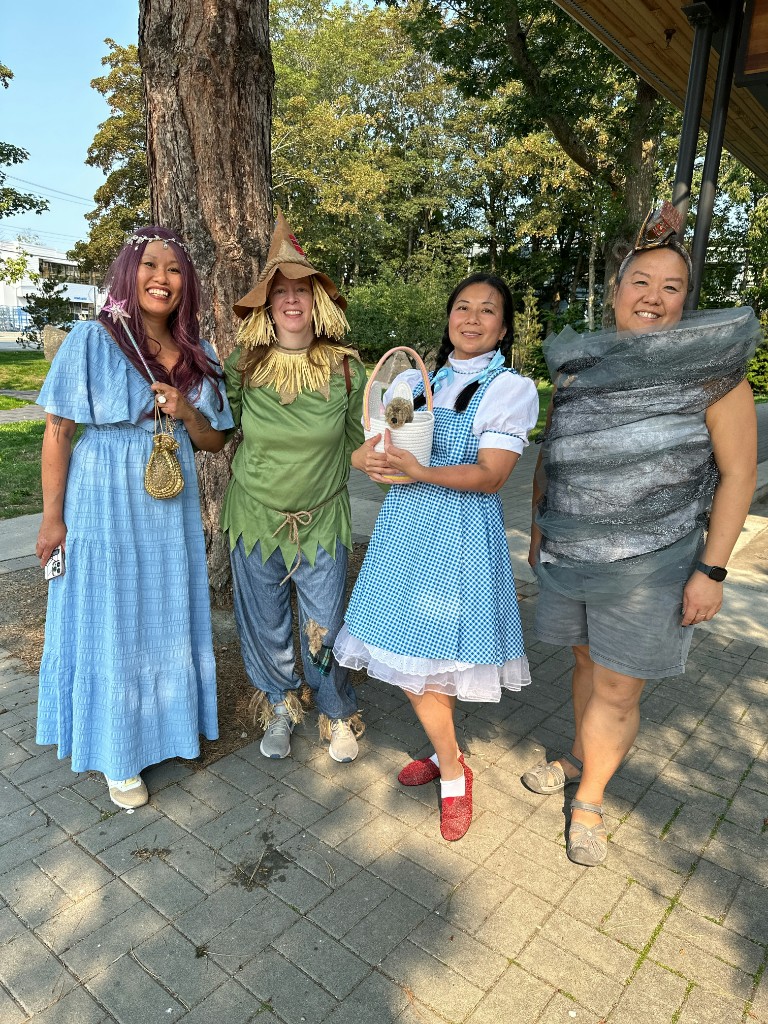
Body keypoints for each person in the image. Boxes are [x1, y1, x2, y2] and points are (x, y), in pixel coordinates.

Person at [523, 205, 760, 865]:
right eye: (641, 282)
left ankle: (590, 800)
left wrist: (712, 572)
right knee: (584, 663)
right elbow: (554, 453)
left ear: (685, 301)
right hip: (571, 554)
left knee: (620, 687)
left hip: (652, 568)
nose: (653, 296)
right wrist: (540, 526)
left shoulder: (714, 373)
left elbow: (740, 474)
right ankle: (578, 756)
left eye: (671, 287)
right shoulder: (578, 364)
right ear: (616, 290)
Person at [334, 272, 539, 840]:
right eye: (462, 307)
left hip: (458, 537)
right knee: (417, 659)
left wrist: (420, 471)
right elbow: (377, 449)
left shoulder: (509, 390)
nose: (472, 318)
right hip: (405, 532)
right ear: (448, 318)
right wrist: (366, 462)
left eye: (488, 310)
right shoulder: (416, 382)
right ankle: (447, 752)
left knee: (426, 660)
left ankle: (452, 770)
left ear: (504, 326)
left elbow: (492, 475)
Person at [35, 226, 234, 808]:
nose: (162, 279)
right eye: (150, 265)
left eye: (174, 269)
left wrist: (187, 409)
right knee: (113, 613)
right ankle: (118, 750)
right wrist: (52, 519)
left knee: (166, 608)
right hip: (103, 497)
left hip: (170, 504)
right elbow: (58, 431)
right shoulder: (92, 339)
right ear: (129, 272)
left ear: (185, 283)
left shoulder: (198, 353)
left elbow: (216, 440)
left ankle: (168, 728)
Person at [222, 210, 366, 763]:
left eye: (300, 289)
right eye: (279, 290)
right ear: (267, 303)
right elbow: (220, 427)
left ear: (316, 300)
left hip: (322, 519)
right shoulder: (244, 364)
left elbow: (359, 443)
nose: (290, 299)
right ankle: (279, 706)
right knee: (264, 621)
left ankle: (335, 711)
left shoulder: (346, 369)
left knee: (326, 624)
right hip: (254, 516)